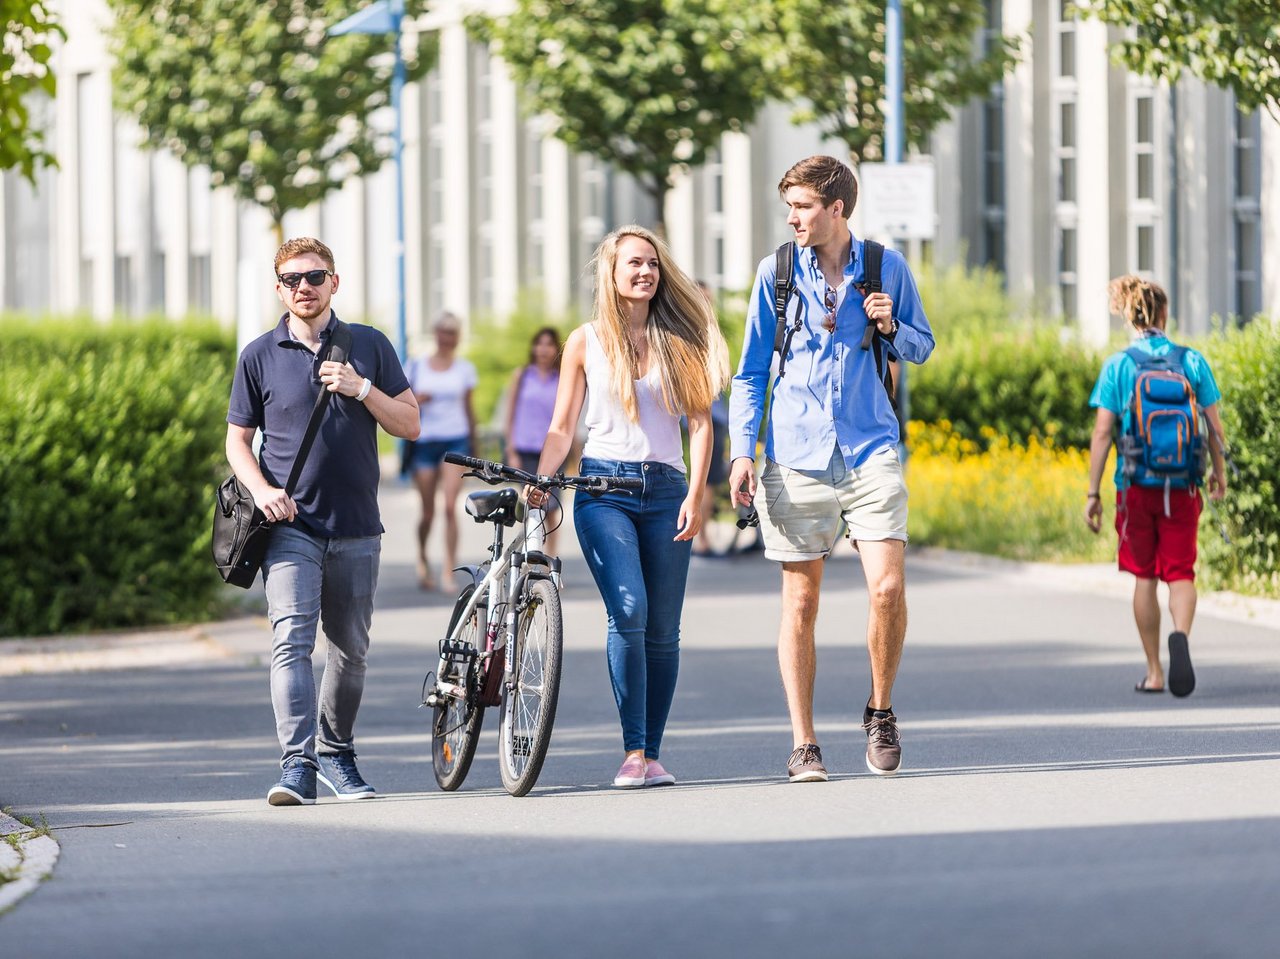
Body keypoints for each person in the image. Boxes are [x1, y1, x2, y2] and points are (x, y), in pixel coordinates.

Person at [728, 155, 935, 782]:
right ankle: (804, 742)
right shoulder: (778, 272)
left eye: (803, 206)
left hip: (870, 447)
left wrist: (889, 324)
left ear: (836, 208)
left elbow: (921, 345)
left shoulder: (885, 266)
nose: (793, 218)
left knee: (888, 588)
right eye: (788, 206)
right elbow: (751, 369)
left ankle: (880, 707)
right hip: (795, 454)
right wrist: (742, 450)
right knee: (801, 602)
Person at [529, 224, 730, 789]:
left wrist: (695, 494)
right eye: (633, 264)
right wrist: (541, 482)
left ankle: (654, 753)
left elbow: (699, 423)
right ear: (611, 276)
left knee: (665, 630)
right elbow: (562, 426)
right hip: (604, 491)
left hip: (667, 490)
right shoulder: (585, 340)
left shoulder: (682, 338)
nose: (644, 272)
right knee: (630, 609)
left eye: (652, 264)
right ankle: (632, 750)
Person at [225, 237, 420, 805]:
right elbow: (238, 441)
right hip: (291, 526)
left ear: (335, 281)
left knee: (350, 650)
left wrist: (362, 389)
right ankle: (297, 766)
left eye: (314, 277)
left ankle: (337, 753)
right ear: (279, 288)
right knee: (290, 641)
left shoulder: (369, 346)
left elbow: (410, 424)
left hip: (358, 524)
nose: (303, 288)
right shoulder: (259, 354)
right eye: (291, 280)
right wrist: (261, 491)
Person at [1084, 275, 1228, 697]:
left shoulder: (1119, 366)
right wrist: (1217, 472)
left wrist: (1093, 493)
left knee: (1144, 576)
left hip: (1136, 486)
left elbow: (1102, 434)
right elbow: (1214, 429)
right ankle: (1180, 634)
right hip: (1183, 485)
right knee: (1181, 573)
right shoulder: (1192, 361)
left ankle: (1154, 671)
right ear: (1164, 314)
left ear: (1129, 317)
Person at [404, 313, 478, 591]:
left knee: (450, 507)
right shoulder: (416, 366)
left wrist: (475, 445)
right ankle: (422, 556)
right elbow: (402, 403)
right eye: (443, 332)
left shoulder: (464, 369)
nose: (447, 338)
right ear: (435, 334)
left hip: (455, 441)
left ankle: (449, 569)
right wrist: (417, 400)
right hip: (424, 440)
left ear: (457, 337)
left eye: (452, 333)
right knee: (427, 512)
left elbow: (469, 409)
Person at [504, 326, 563, 556]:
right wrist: (510, 448)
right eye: (539, 344)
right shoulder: (522, 376)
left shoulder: (561, 378)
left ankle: (550, 557)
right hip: (525, 448)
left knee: (552, 507)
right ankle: (530, 553)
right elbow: (510, 414)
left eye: (549, 344)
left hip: (552, 449)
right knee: (530, 505)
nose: (543, 349)